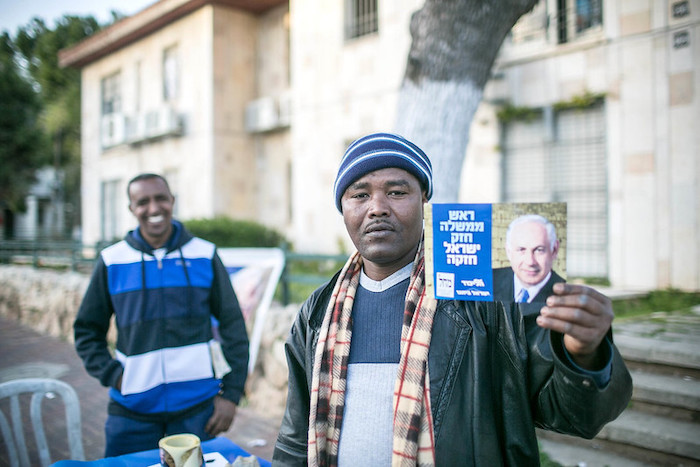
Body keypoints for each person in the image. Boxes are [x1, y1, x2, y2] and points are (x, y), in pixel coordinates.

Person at [272, 132, 632, 466]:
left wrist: (584, 354)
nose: (377, 207)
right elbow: (293, 440)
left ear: (425, 200)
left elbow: (573, 416)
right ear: (343, 208)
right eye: (359, 194)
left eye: (397, 192)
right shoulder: (318, 313)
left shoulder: (489, 299)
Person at [74, 173, 249, 456]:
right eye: (143, 202)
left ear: (172, 201)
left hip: (198, 409)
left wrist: (231, 395)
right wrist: (115, 376)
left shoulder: (204, 255)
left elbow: (233, 326)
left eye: (161, 199)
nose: (154, 208)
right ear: (132, 209)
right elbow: (86, 330)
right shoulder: (112, 260)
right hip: (131, 409)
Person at [493, 214, 565, 303]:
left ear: (554, 250)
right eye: (521, 250)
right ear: (508, 251)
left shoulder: (566, 295)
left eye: (539, 250)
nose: (530, 262)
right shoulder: (488, 281)